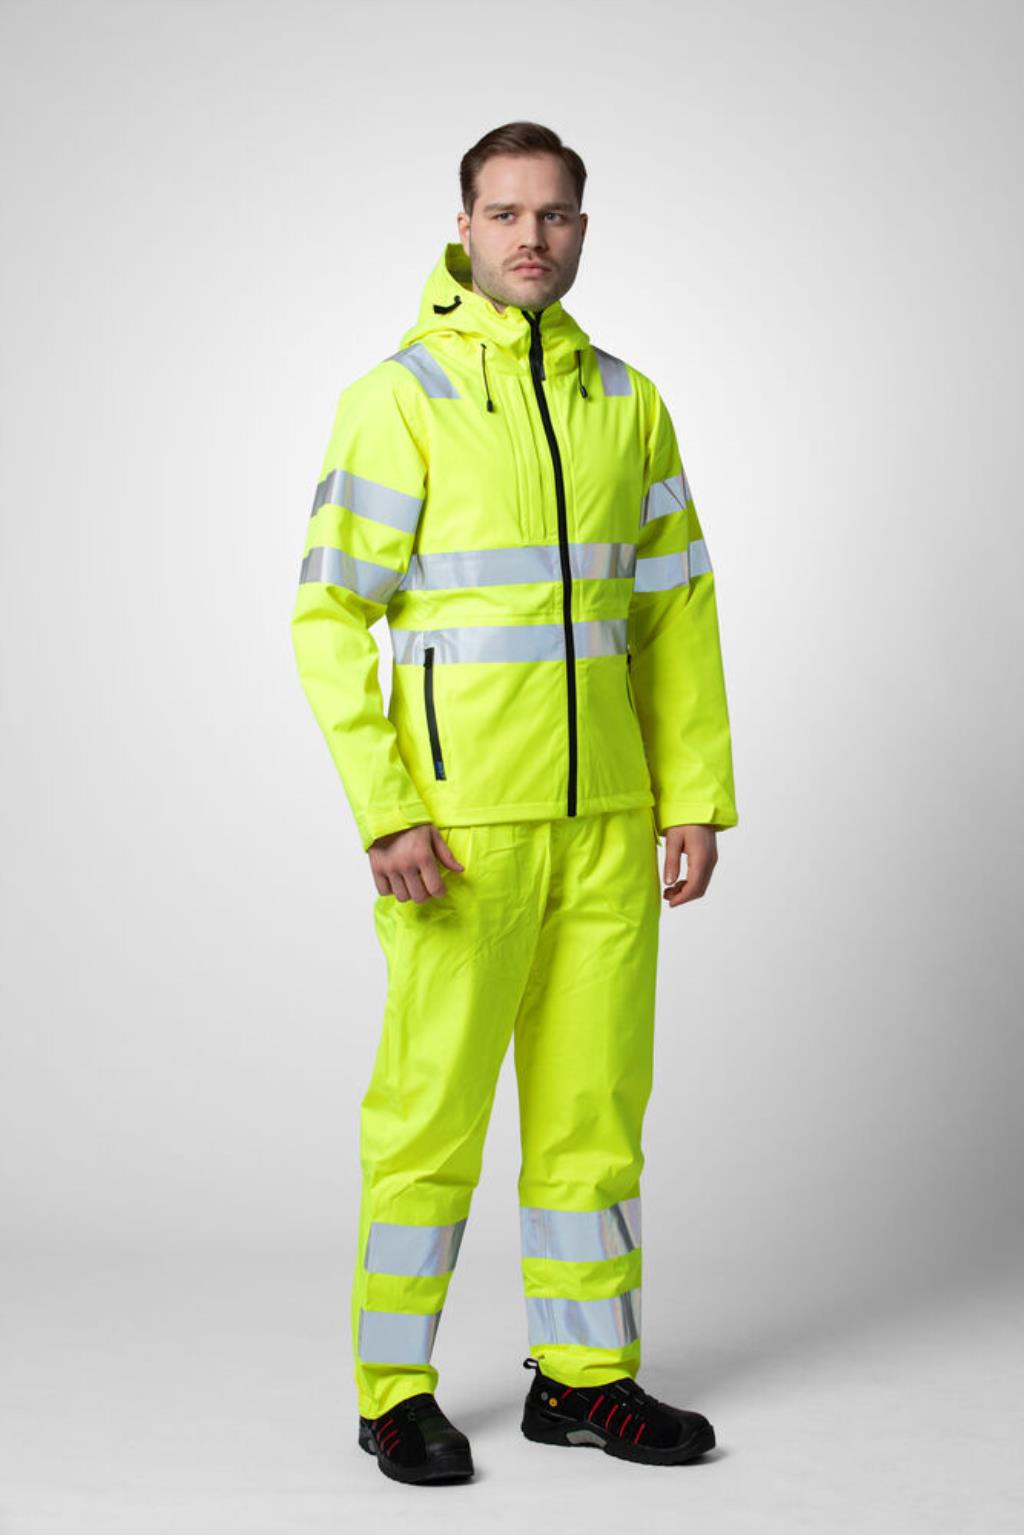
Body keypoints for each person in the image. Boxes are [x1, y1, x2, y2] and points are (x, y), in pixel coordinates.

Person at [290, 120, 739, 1486]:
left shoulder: (629, 403)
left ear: (582, 229)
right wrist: (386, 808)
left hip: (609, 822)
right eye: (505, 213)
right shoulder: (399, 398)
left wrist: (693, 795)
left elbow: (676, 614)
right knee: (429, 1117)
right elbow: (327, 619)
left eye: (554, 215)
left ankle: (584, 1380)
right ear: (464, 229)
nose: (530, 237)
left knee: (593, 1113)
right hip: (458, 833)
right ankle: (392, 1393)